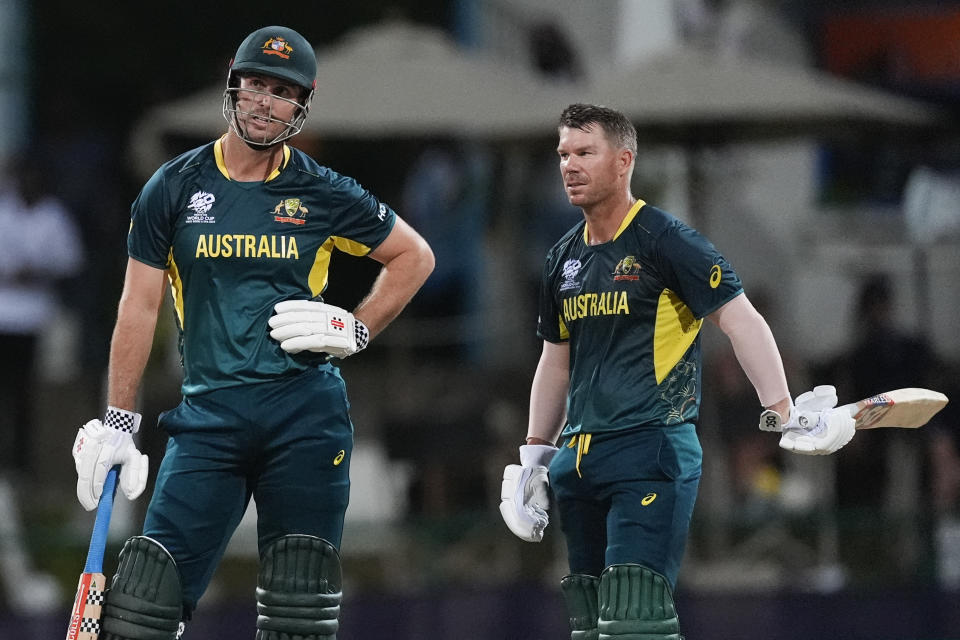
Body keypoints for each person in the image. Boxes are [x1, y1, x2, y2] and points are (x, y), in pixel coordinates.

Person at [70, 26, 434, 639]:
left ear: (302, 105)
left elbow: (414, 257)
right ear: (233, 87)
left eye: (283, 93)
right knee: (141, 609)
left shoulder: (321, 189)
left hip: (305, 417)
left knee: (298, 613)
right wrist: (119, 420)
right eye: (256, 86)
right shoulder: (175, 186)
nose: (266, 103)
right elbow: (138, 305)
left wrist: (359, 327)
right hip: (208, 418)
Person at [498, 104, 854, 639]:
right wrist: (532, 455)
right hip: (579, 462)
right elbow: (555, 359)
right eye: (563, 155)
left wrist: (784, 411)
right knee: (590, 626)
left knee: (634, 620)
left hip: (650, 451)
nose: (569, 166)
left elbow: (742, 320)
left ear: (624, 161)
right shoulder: (561, 260)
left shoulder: (666, 241)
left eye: (584, 153)